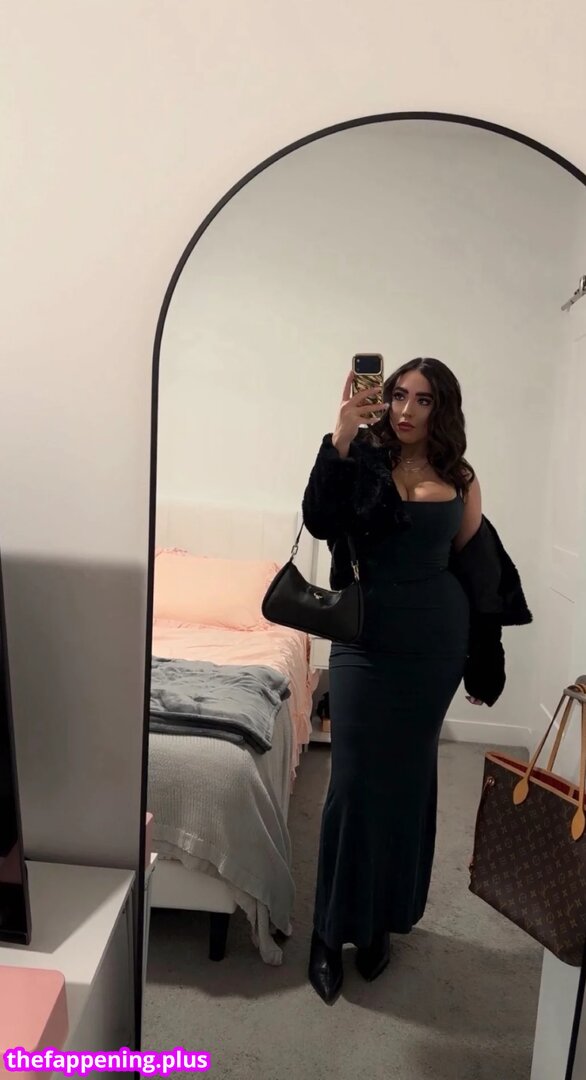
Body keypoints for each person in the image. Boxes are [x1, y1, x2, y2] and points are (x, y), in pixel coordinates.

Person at [301, 357, 532, 1005]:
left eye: (422, 400)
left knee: (406, 784)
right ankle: (329, 931)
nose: (405, 409)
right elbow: (319, 519)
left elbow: (478, 567)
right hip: (364, 634)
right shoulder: (360, 456)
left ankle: (380, 923)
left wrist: (486, 656)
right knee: (350, 786)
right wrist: (341, 433)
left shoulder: (459, 476)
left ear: (441, 408)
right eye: (398, 394)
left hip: (434, 643)